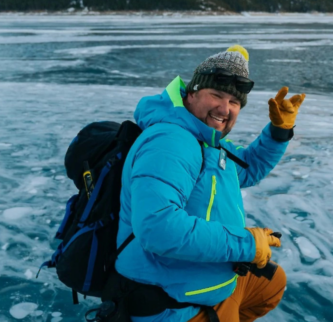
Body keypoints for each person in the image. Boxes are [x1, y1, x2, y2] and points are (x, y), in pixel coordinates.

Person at [115, 45, 305, 322]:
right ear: (191, 93)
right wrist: (248, 244)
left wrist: (279, 132)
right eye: (216, 95)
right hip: (173, 305)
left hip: (210, 284)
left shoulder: (208, 141)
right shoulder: (171, 142)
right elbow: (157, 228)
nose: (224, 108)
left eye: (234, 102)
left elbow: (247, 170)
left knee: (270, 283)